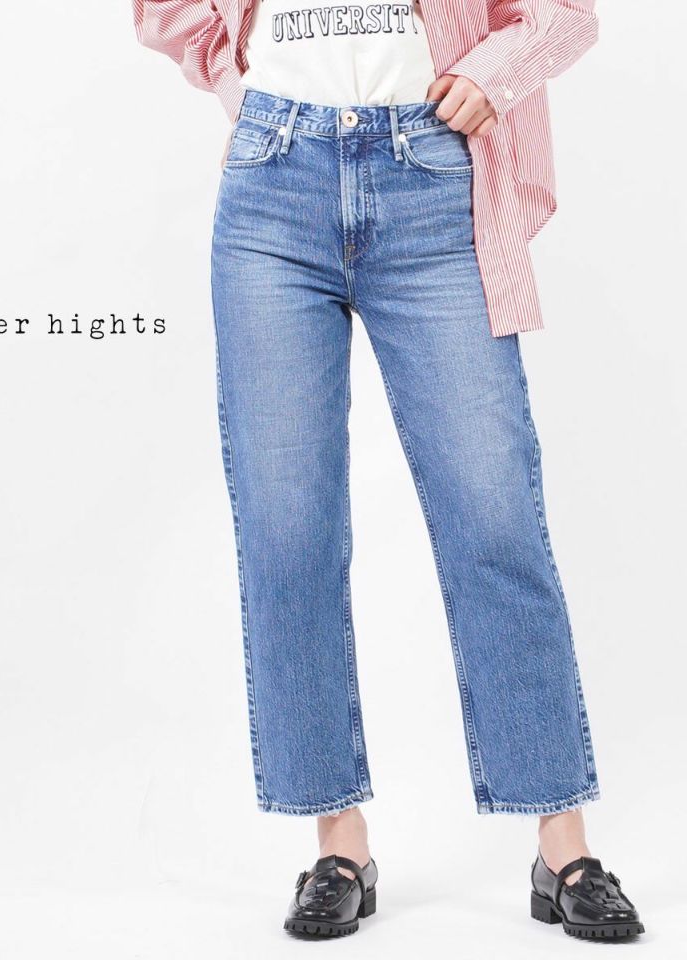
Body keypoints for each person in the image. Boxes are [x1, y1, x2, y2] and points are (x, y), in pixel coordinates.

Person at [133, 0, 645, 940]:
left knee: (493, 516)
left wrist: (492, 74)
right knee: (289, 527)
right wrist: (237, 87)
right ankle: (340, 844)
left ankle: (563, 848)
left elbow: (565, 14)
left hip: (431, 173)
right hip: (272, 182)